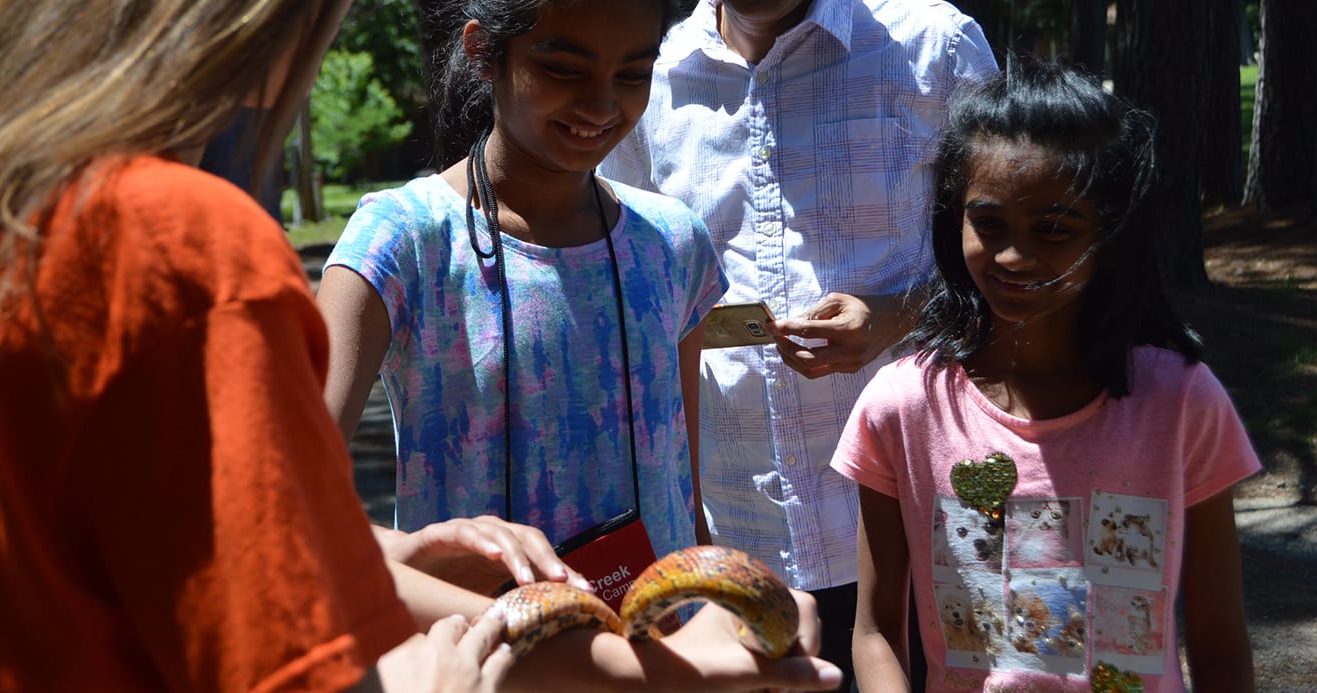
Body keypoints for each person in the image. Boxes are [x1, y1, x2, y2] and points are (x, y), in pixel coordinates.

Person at [0, 0, 841, 689]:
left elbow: (148, 541)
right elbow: (300, 662)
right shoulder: (179, 252)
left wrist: (375, 548)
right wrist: (664, 669)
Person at [599, 0, 997, 686]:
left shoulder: (933, 48)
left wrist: (897, 314)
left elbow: (1020, 260)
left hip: (926, 537)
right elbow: (629, 293)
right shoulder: (650, 79)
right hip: (729, 548)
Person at [831, 60, 1258, 692]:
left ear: (1111, 232)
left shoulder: (1183, 403)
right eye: (990, 223)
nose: (1014, 255)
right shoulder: (901, 407)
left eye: (1053, 229)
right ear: (956, 219)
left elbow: (1220, 645)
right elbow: (874, 633)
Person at [318, 0, 726, 572]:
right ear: (483, 51)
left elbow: (679, 481)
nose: (601, 103)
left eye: (633, 74)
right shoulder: (403, 240)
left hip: (662, 644)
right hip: (483, 649)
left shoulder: (673, 243)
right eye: (564, 69)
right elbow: (294, 485)